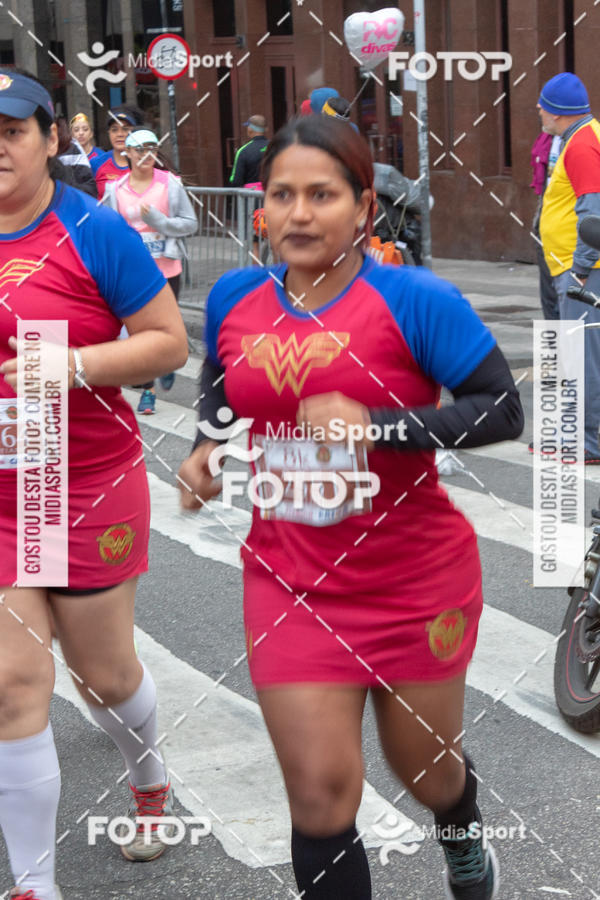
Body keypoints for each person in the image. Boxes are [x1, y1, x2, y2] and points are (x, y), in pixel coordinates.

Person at [178, 115, 523, 899]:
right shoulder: (235, 295)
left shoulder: (414, 299)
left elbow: (502, 409)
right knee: (320, 793)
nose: (299, 214)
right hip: (290, 579)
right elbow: (222, 387)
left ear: (364, 208)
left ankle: (464, 839)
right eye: (281, 195)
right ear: (259, 206)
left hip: (412, 576)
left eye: (322, 195)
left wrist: (381, 426)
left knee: (427, 772)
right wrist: (206, 445)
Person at [0, 70, 188, 900]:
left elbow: (166, 343)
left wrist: (63, 365)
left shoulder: (93, 231)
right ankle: (35, 885)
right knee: (12, 684)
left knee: (103, 679)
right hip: (4, 497)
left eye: (11, 130)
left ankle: (148, 776)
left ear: (49, 139)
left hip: (84, 481)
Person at [104, 127, 197, 414]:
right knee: (140, 332)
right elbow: (110, 229)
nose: (146, 155)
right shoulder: (115, 189)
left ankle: (167, 361)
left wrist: (159, 221)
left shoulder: (170, 184)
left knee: (167, 328)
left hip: (167, 268)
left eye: (152, 149)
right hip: (134, 272)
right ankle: (148, 390)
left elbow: (191, 224)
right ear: (127, 153)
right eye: (140, 149)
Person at [538, 72, 600, 463]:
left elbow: (593, 209)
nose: (540, 112)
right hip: (572, 265)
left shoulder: (580, 145)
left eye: (543, 106)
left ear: (557, 111)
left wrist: (579, 268)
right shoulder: (583, 135)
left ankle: (587, 442)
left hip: (580, 269)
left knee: (581, 355)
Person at [530, 130, 560, 320]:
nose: (539, 108)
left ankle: (573, 348)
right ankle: (554, 349)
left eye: (544, 104)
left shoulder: (582, 141)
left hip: (569, 232)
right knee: (549, 296)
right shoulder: (547, 138)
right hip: (546, 224)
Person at [90, 106, 143, 199]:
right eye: (114, 129)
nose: (120, 134)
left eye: (125, 129)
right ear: (109, 133)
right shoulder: (96, 163)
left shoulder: (145, 162)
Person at [56, 116, 97, 197]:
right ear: (71, 134)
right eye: (76, 130)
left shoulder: (100, 157)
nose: (81, 133)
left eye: (85, 129)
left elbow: (91, 188)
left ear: (91, 133)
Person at [229, 114, 268, 189]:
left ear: (250, 129)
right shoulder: (276, 147)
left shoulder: (243, 151)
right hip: (273, 195)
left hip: (251, 196)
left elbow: (236, 180)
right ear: (266, 129)